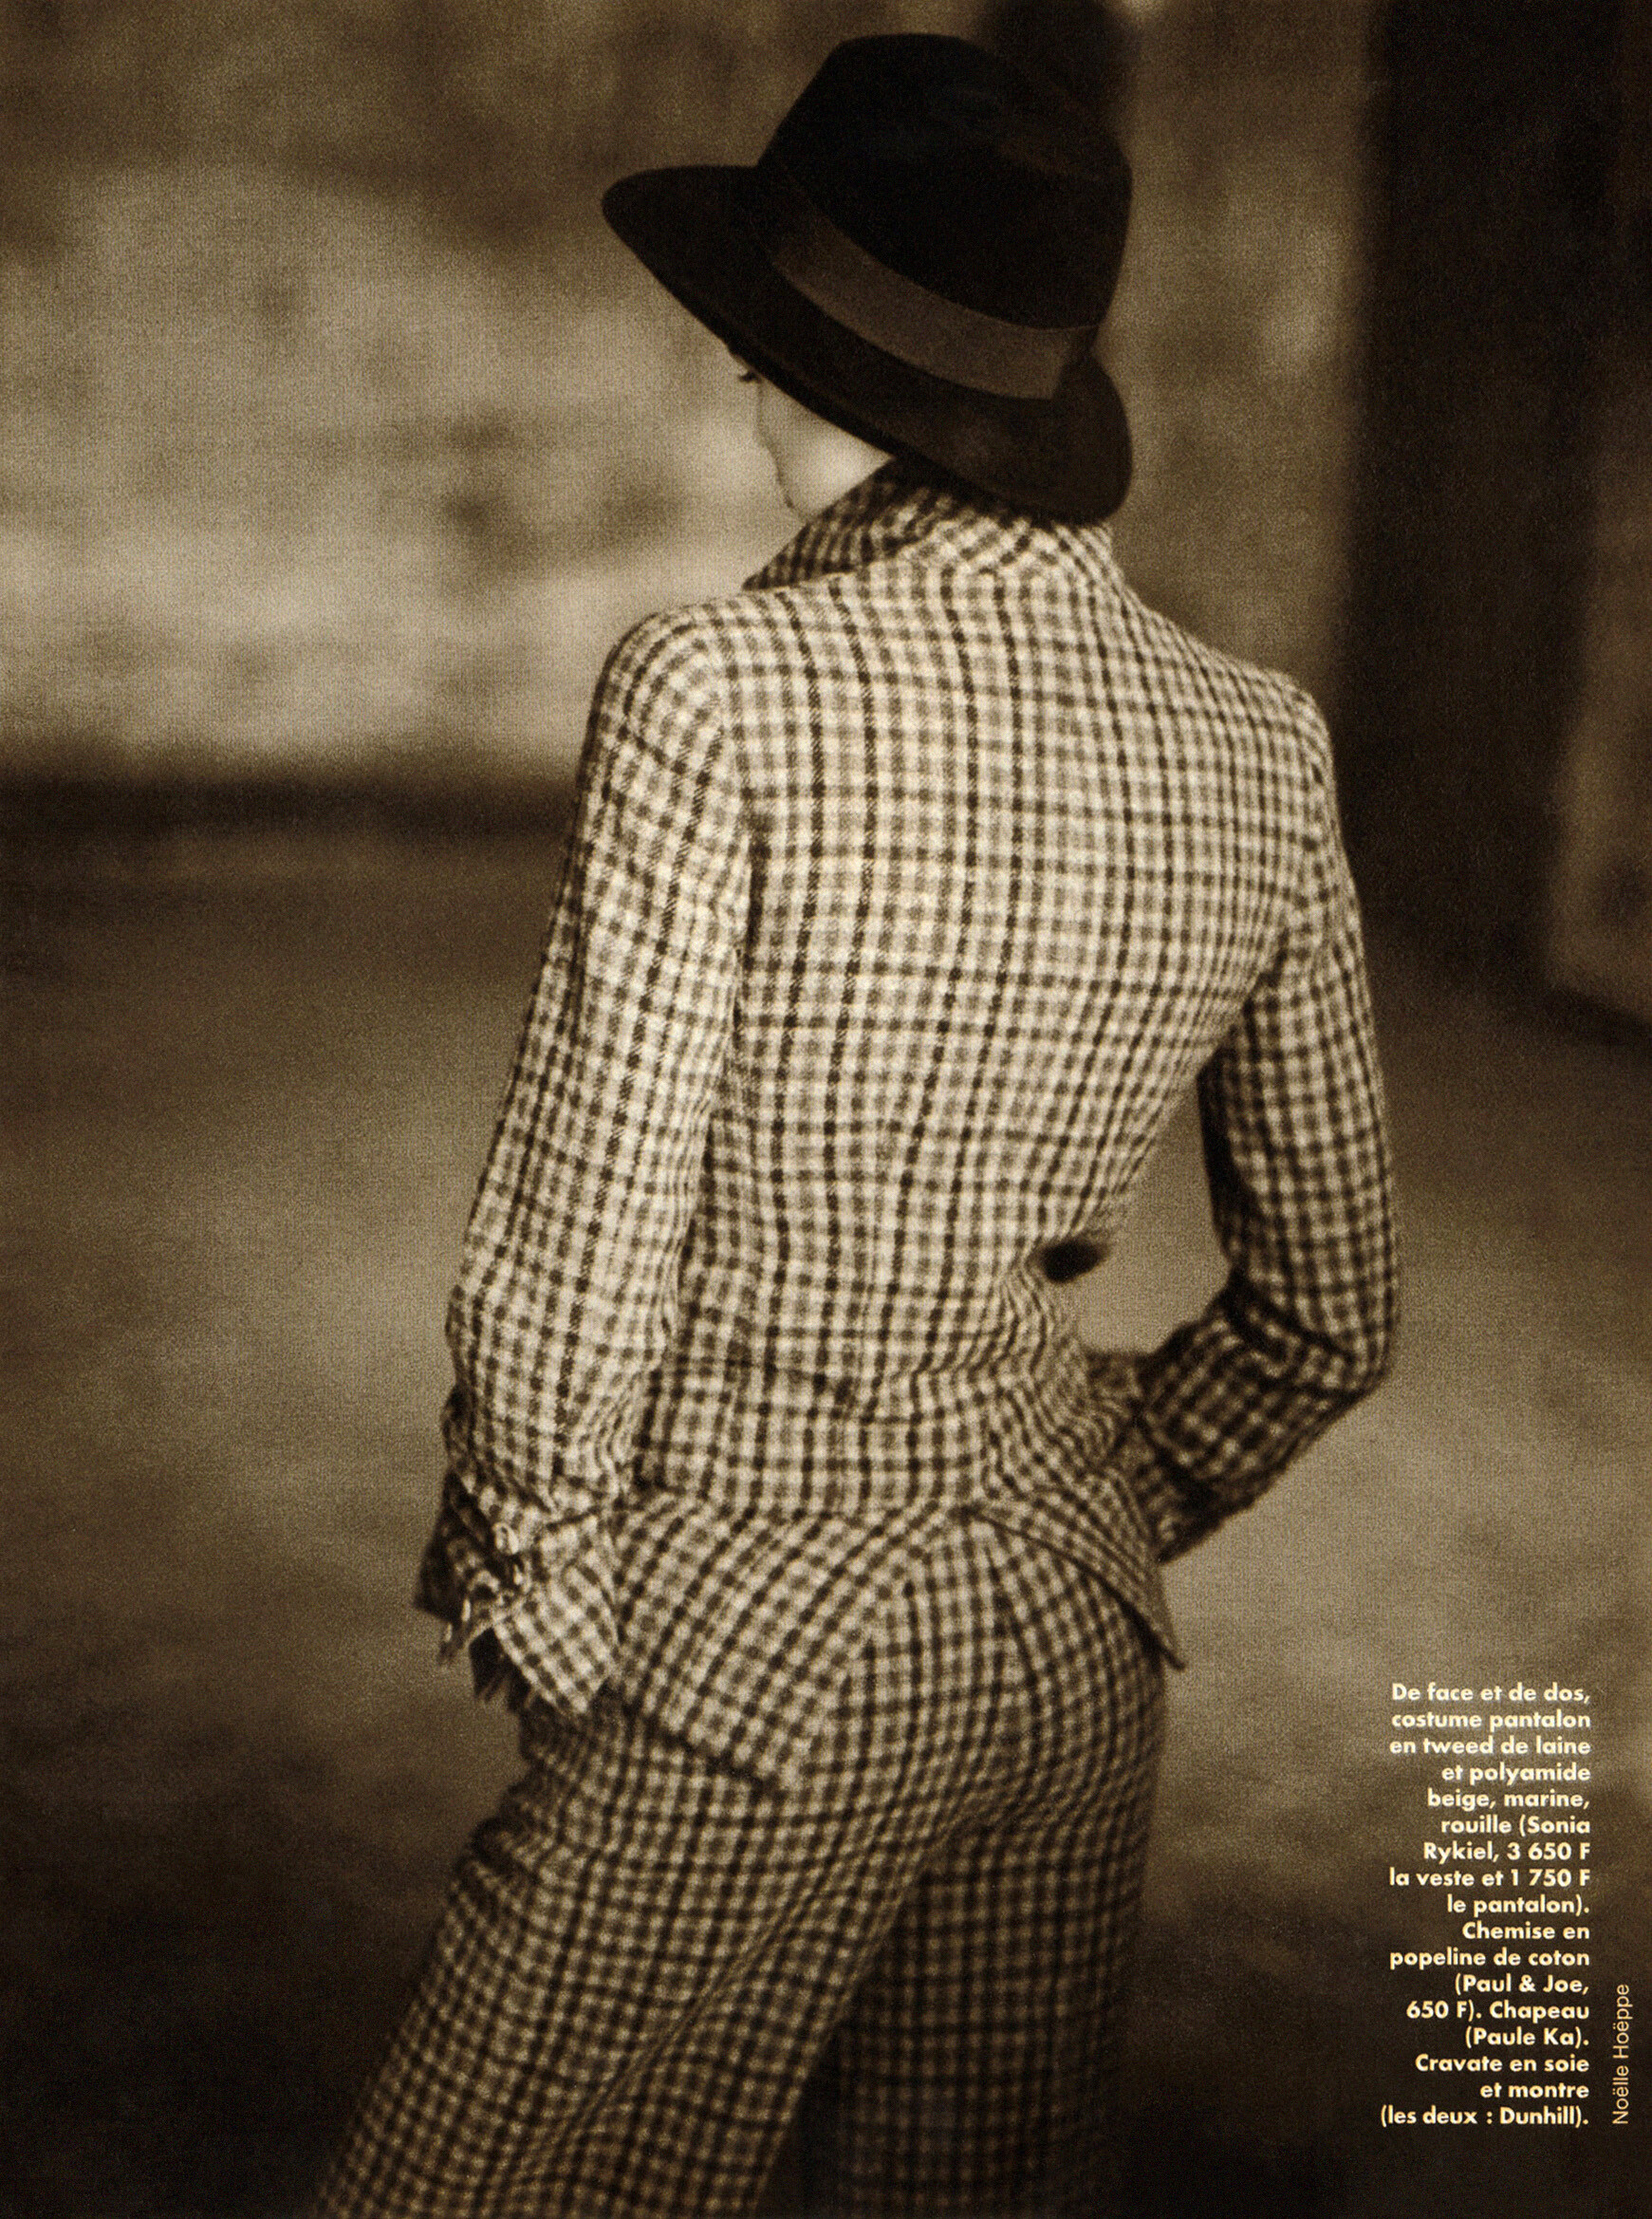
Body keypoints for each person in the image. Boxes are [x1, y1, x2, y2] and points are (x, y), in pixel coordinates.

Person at [310, 33, 1397, 2219]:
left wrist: (542, 1563)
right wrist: (1062, 1500)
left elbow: (588, 1204)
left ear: (834, 384)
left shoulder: (712, 684)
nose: (737, 384)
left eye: (761, 347)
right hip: (1075, 1642)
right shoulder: (1261, 739)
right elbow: (1333, 1309)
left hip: (748, 1641)